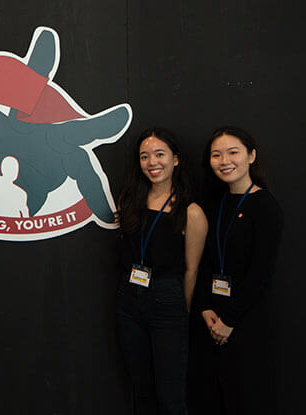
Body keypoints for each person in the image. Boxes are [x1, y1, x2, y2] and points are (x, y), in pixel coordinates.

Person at [190, 127, 283, 414]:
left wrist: (228, 321)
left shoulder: (265, 205)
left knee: (247, 397)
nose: (224, 160)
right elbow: (206, 260)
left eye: (233, 152)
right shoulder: (215, 204)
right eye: (216, 155)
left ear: (251, 156)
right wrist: (205, 306)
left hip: (246, 321)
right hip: (212, 318)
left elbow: (261, 271)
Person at [115, 127, 208, 414]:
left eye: (159, 154)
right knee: (141, 391)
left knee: (170, 395)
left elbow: (191, 270)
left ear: (176, 159)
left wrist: (181, 311)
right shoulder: (130, 202)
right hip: (129, 299)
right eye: (145, 157)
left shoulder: (190, 211)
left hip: (167, 298)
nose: (152, 162)